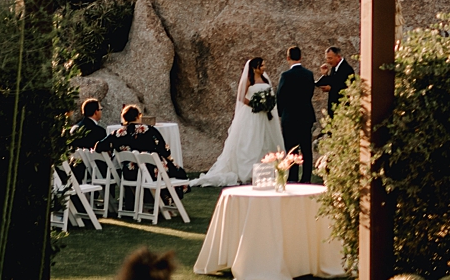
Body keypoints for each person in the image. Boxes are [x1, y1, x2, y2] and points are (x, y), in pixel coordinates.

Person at [198, 57, 284, 186]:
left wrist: (267, 105)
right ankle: (249, 172)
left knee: (266, 140)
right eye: (262, 66)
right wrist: (255, 105)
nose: (264, 68)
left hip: (265, 116)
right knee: (251, 141)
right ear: (255, 68)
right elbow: (241, 97)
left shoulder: (266, 80)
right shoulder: (249, 80)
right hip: (252, 115)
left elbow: (270, 95)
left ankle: (268, 170)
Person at [103, 105, 190, 179]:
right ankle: (167, 197)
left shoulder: (117, 133)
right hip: (151, 173)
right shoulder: (150, 130)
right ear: (138, 116)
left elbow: (99, 146)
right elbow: (164, 149)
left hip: (129, 174)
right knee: (178, 172)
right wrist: (170, 159)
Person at [274, 47, 318, 183]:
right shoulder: (308, 74)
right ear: (301, 57)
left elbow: (280, 96)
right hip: (305, 115)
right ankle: (306, 178)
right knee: (306, 148)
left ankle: (293, 177)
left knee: (291, 148)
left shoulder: (286, 76)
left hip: (290, 116)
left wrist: (282, 112)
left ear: (288, 58)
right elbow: (310, 92)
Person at [313, 46, 354, 118]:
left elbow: (344, 88)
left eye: (330, 58)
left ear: (338, 57)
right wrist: (325, 74)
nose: (328, 61)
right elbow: (330, 82)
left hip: (342, 109)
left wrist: (331, 89)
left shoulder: (346, 69)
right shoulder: (334, 68)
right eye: (327, 58)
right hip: (334, 110)